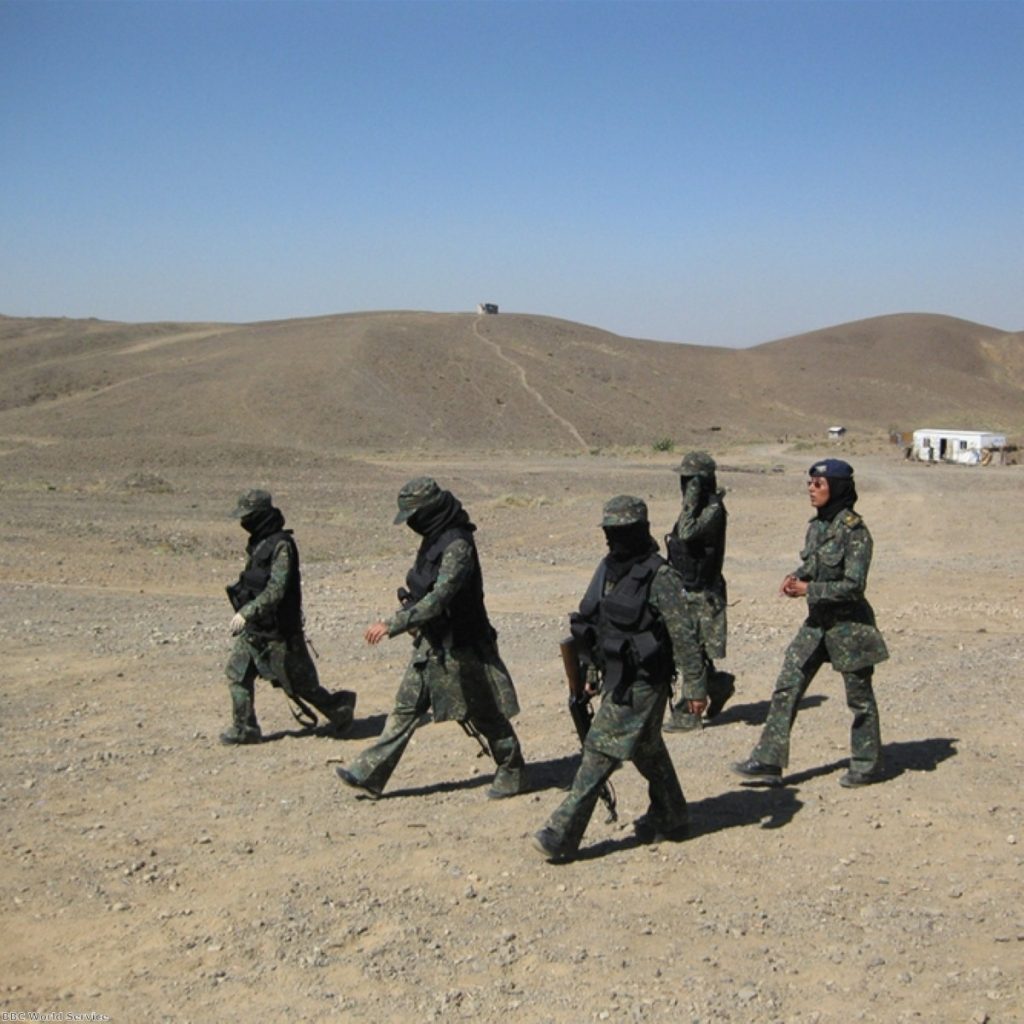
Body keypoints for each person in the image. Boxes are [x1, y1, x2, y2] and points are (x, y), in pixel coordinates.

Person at [533, 496, 706, 862]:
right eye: (610, 532)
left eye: (621, 532)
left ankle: (561, 833)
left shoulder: (660, 576)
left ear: (639, 531)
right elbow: (597, 623)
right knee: (646, 748)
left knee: (599, 749)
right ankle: (673, 816)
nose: (614, 540)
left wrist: (695, 686)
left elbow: (684, 635)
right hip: (617, 675)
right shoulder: (609, 569)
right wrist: (592, 673)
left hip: (645, 680)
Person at [334, 477, 526, 800]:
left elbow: (440, 599)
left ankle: (512, 768)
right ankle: (368, 772)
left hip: (463, 646)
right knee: (405, 709)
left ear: (429, 512)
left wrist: (392, 624)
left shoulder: (458, 546)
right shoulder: (433, 539)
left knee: (485, 714)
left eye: (413, 516)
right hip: (431, 644)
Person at [732, 459, 887, 788]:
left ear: (837, 488)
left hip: (850, 627)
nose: (811, 489)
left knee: (859, 698)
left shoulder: (855, 532)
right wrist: (797, 577)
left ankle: (865, 763)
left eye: (819, 484)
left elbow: (854, 586)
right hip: (817, 624)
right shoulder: (817, 526)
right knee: (788, 684)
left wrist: (809, 589)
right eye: (809, 483)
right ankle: (768, 760)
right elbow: (815, 563)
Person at [222, 488, 356, 745]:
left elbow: (277, 589)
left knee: (301, 686)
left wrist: (247, 611)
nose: (243, 522)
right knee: (237, 674)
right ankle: (244, 728)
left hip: (279, 632)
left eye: (248, 516)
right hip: (256, 628)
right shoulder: (258, 543)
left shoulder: (282, 545)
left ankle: (340, 712)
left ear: (260, 515)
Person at [663, 450, 735, 731]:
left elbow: (688, 532)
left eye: (691, 482)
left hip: (704, 594)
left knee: (690, 652)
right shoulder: (699, 509)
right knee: (690, 652)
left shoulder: (713, 510)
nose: (686, 487)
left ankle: (689, 712)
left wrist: (691, 500)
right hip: (687, 590)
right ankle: (717, 686)